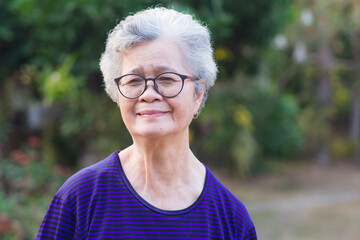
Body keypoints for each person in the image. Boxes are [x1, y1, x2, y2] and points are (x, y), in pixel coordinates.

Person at [37, 7, 257, 240]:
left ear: (198, 94)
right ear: (117, 94)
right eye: (133, 80)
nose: (148, 94)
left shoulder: (231, 219)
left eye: (167, 78)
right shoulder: (79, 199)